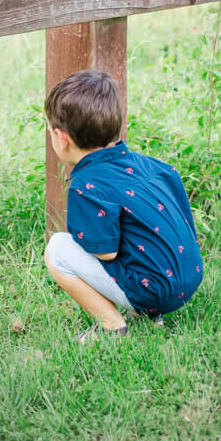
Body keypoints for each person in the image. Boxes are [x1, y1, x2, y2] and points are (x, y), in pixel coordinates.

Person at [43, 70, 203, 342]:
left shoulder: (86, 185)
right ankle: (150, 315)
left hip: (155, 290)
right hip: (189, 278)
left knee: (57, 249)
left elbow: (105, 253)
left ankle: (112, 324)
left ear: (61, 138)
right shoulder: (151, 166)